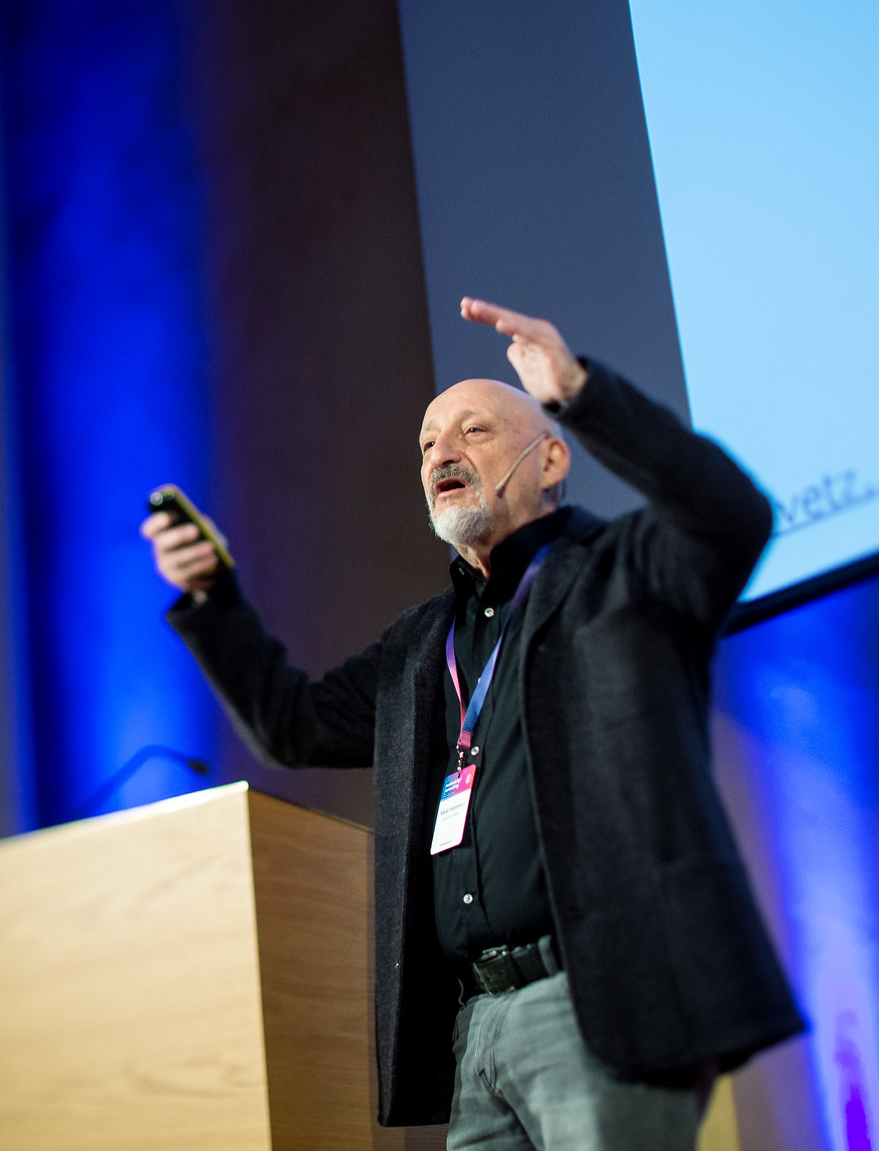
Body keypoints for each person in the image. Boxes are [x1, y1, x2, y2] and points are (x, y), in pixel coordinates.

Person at [142, 298, 803, 1150]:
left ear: (552, 455)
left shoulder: (623, 576)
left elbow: (733, 515)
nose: (441, 453)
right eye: (427, 443)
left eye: (474, 432)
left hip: (600, 999)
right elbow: (293, 724)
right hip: (474, 1030)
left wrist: (581, 390)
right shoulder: (423, 643)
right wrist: (212, 599)